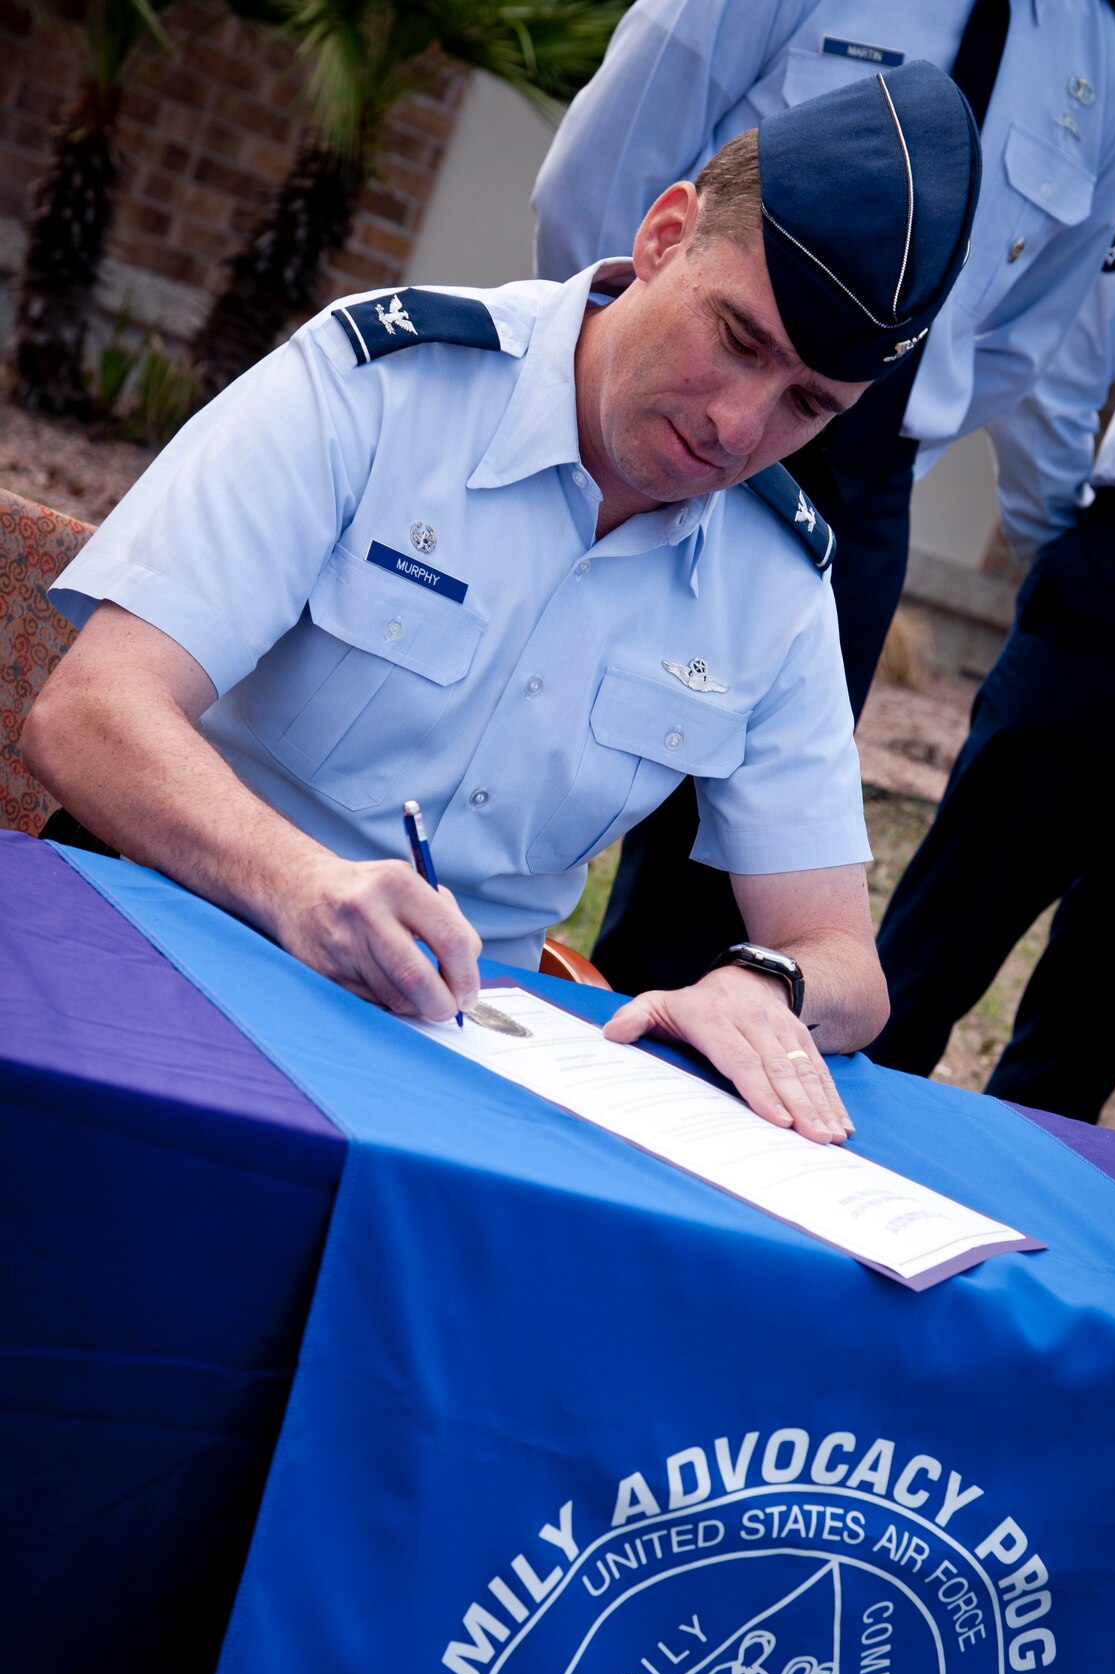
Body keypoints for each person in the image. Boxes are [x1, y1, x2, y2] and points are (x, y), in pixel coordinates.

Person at [22, 62, 980, 1148]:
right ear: (664, 236)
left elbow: (848, 965)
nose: (738, 426)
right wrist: (299, 884)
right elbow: (90, 711)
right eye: (740, 339)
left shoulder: (774, 576)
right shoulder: (385, 382)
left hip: (455, 1060)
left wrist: (762, 980)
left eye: (808, 403)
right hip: (170, 935)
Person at [531, 0, 1115, 994]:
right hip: (645, 420)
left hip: (859, 489)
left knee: (725, 912)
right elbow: (618, 150)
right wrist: (623, 375)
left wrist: (862, 421)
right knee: (497, 764)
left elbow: (1029, 324)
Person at [870, 155, 1115, 1122]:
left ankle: (1000, 1248)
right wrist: (1063, 556)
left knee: (1105, 999)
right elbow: (1066, 355)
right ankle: (814, 1181)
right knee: (943, 935)